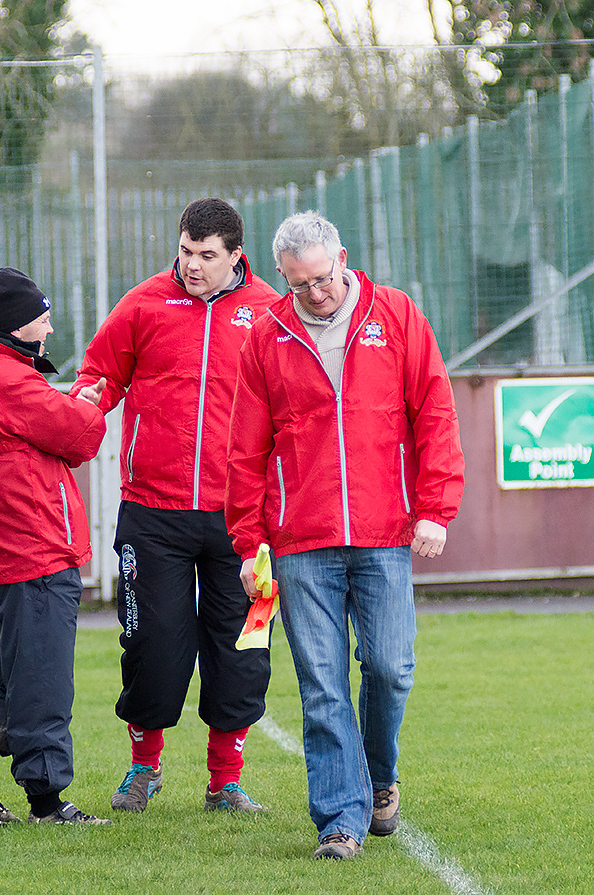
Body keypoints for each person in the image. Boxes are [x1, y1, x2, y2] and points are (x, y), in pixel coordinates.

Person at [225, 212, 464, 859]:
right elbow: (244, 450)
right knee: (322, 685)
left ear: (343, 259)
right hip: (301, 542)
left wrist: (436, 507)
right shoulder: (267, 336)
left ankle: (380, 776)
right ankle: (340, 819)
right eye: (301, 285)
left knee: (390, 668)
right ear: (284, 277)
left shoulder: (398, 315)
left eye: (324, 279)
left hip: (386, 531)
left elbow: (436, 413)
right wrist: (249, 543)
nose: (317, 294)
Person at [70, 198, 281, 814]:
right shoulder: (141, 304)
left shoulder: (272, 313)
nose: (192, 265)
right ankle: (144, 767)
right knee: (152, 648)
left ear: (235, 255)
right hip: (152, 514)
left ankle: (227, 781)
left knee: (245, 648)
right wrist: (79, 411)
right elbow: (99, 375)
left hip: (248, 521)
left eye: (206, 256)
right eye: (186, 251)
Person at [0, 267, 111, 827]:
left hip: (9, 555)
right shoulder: (8, 381)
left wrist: (69, 401)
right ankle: (47, 802)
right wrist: (91, 400)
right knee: (42, 684)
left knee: (19, 674)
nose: (49, 324)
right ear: (18, 326)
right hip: (30, 555)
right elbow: (81, 436)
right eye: (41, 316)